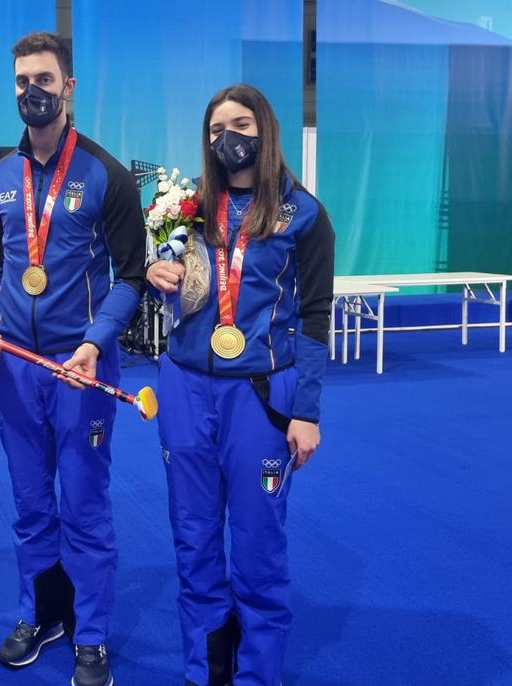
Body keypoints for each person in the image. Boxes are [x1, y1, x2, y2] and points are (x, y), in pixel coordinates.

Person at [146, 84, 334, 686]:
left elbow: (315, 316)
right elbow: (169, 275)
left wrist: (305, 410)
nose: (226, 136)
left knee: (257, 549)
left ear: (265, 129)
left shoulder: (302, 213)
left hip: (259, 395)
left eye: (240, 123)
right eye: (214, 128)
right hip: (184, 387)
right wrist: (157, 270)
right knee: (194, 542)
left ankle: (256, 677)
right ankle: (206, 674)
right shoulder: (187, 207)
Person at [0, 31, 146, 686]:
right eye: (22, 81)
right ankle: (42, 614)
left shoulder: (105, 175)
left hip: (83, 368)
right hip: (19, 366)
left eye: (44, 80)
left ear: (68, 87)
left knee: (83, 502)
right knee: (28, 503)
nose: (32, 91)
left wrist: (92, 342)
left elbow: (130, 277)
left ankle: (92, 634)